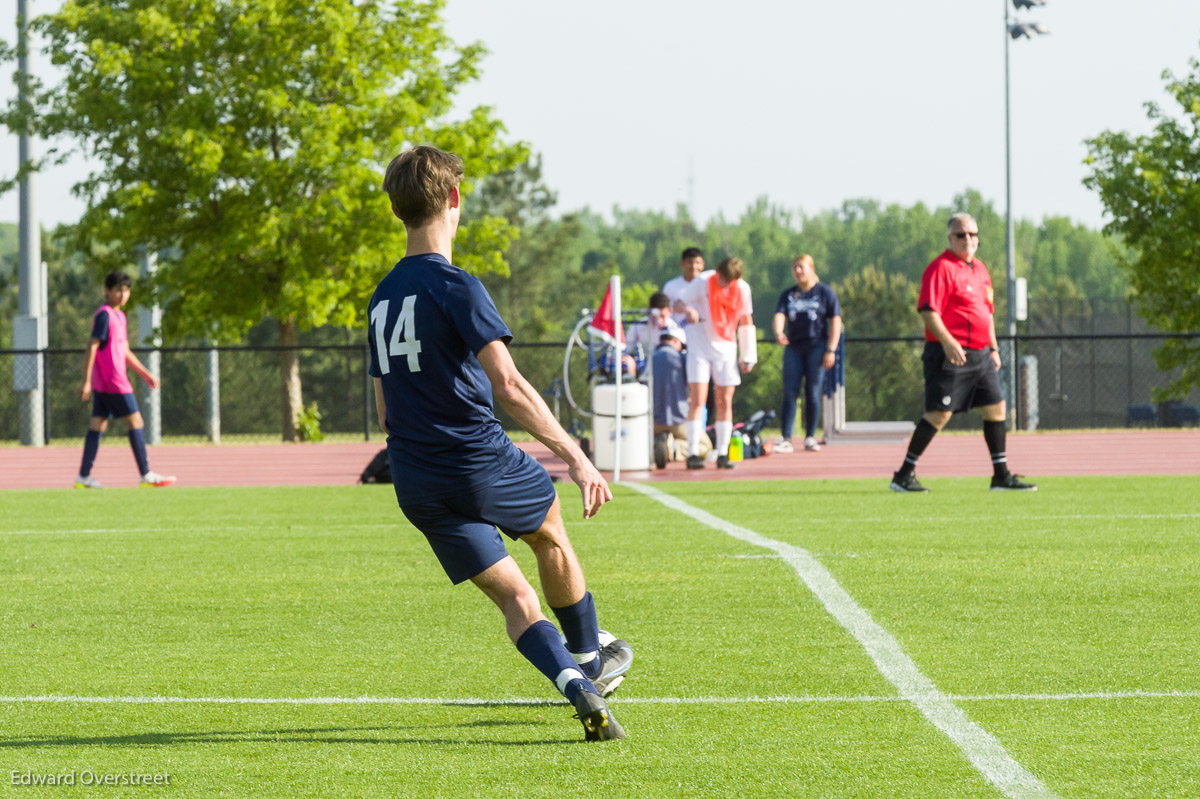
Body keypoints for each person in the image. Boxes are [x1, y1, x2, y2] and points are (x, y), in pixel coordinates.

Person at [369, 145, 632, 742]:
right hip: (478, 460)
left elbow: (385, 407)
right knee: (549, 531)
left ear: (397, 211)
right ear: (455, 200)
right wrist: (576, 455)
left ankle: (572, 684)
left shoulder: (381, 298)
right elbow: (508, 384)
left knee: (515, 599)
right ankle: (590, 660)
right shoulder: (457, 285)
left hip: (414, 478)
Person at [889, 212, 1037, 493]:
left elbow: (987, 313)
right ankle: (903, 475)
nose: (967, 239)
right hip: (949, 353)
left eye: (972, 234)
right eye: (960, 235)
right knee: (939, 414)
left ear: (978, 239)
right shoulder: (941, 267)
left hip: (980, 354)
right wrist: (948, 342)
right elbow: (928, 310)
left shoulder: (980, 269)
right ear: (950, 239)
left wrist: (993, 348)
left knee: (996, 408)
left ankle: (1001, 476)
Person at [74, 270, 175, 489]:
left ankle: (83, 476)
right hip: (113, 382)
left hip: (108, 383)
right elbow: (92, 346)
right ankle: (145, 474)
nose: (122, 294)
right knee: (136, 421)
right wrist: (86, 380)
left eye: (126, 290)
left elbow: (124, 350)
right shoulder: (105, 315)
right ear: (107, 291)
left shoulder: (120, 316)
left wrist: (145, 374)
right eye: (118, 289)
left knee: (97, 424)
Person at [675, 256, 756, 469]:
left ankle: (722, 452)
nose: (724, 283)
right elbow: (678, 301)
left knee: (724, 400)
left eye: (729, 280)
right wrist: (688, 309)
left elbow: (746, 320)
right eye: (722, 278)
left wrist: (748, 355)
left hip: (726, 348)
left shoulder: (742, 289)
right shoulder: (703, 281)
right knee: (698, 399)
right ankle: (693, 452)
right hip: (700, 348)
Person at [771, 254, 843, 453]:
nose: (798, 271)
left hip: (817, 346)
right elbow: (779, 315)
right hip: (794, 347)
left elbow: (835, 320)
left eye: (801, 267)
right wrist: (778, 332)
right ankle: (786, 437)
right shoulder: (788, 294)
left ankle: (810, 436)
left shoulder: (824, 292)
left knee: (812, 391)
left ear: (811, 268)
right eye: (794, 267)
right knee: (790, 392)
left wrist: (831, 349)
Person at [650, 322, 710, 467]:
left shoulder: (648, 358)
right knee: (704, 446)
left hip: (652, 421)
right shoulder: (683, 358)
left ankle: (653, 447)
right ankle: (673, 449)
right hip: (679, 419)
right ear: (677, 341)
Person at [662, 247, 708, 327]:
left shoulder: (708, 285)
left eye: (697, 263)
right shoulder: (671, 286)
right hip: (680, 334)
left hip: (706, 334)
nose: (693, 266)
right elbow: (664, 311)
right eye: (690, 262)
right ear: (682, 263)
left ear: (703, 264)